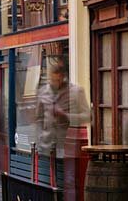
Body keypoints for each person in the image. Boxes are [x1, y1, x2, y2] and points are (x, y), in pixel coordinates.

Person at [35, 61, 90, 199]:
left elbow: (88, 116)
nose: (55, 83)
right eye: (53, 80)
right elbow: (38, 118)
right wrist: (40, 137)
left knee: (69, 182)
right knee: (46, 183)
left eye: (58, 79)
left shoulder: (76, 92)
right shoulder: (43, 92)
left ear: (64, 76)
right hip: (47, 146)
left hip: (68, 145)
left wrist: (66, 116)